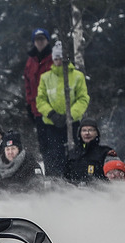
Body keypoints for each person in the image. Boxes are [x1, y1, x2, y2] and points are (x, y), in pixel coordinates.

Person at [36, 40, 90, 177]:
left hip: (72, 123)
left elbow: (83, 98)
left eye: (61, 58)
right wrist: (52, 114)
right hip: (52, 124)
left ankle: (76, 179)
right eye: (56, 58)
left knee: (75, 153)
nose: (58, 61)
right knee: (54, 154)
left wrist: (70, 116)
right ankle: (56, 182)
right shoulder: (45, 78)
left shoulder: (77, 76)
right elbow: (40, 100)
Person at [24, 28, 54, 161]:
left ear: (47, 40)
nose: (40, 42)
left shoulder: (54, 58)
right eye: (37, 40)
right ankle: (49, 173)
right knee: (43, 144)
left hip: (53, 109)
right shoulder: (31, 61)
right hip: (37, 109)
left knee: (56, 143)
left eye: (42, 39)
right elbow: (28, 84)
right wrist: (30, 104)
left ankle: (60, 174)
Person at [64, 118, 117, 184]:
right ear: (80, 133)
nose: (87, 133)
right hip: (74, 191)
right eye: (84, 130)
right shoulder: (72, 153)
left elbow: (116, 173)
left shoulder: (105, 152)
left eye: (90, 130)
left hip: (99, 192)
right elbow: (65, 177)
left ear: (97, 133)